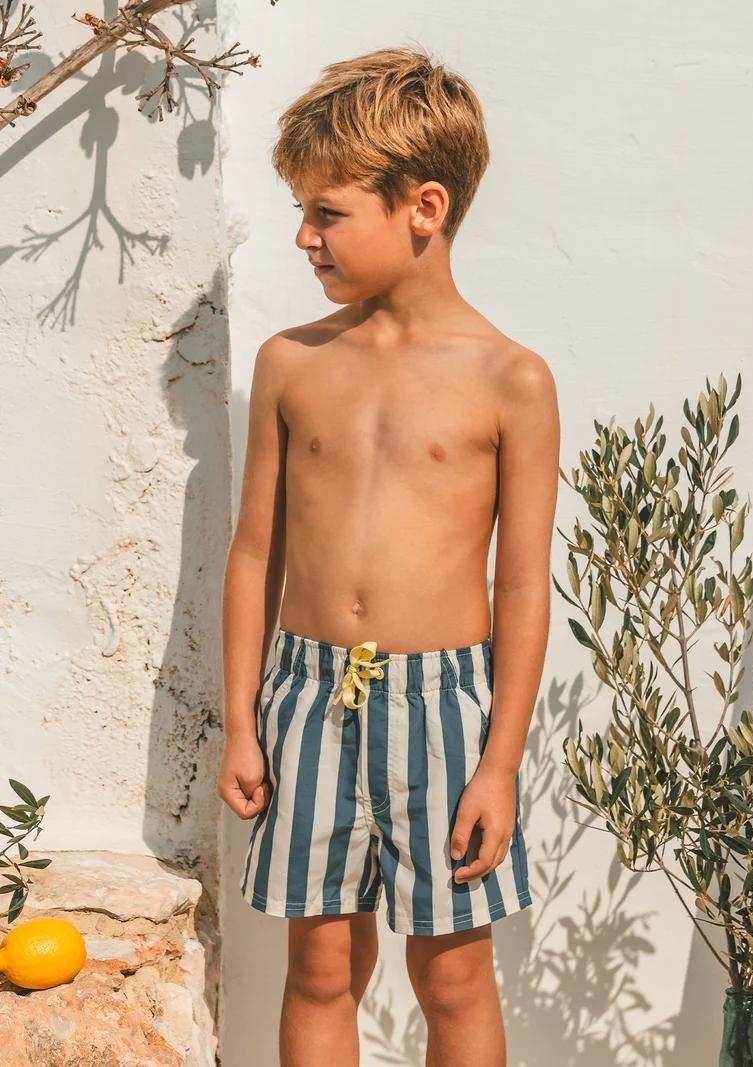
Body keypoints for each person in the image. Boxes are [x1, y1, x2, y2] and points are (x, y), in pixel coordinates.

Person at [217, 43, 560, 1067]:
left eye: (326, 212)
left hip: (443, 709)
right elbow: (253, 553)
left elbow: (522, 583)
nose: (304, 235)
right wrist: (241, 720)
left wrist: (499, 763)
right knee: (321, 969)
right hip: (305, 697)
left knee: (451, 977)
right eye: (301, 211)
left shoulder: (511, 380)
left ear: (423, 206)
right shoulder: (292, 363)